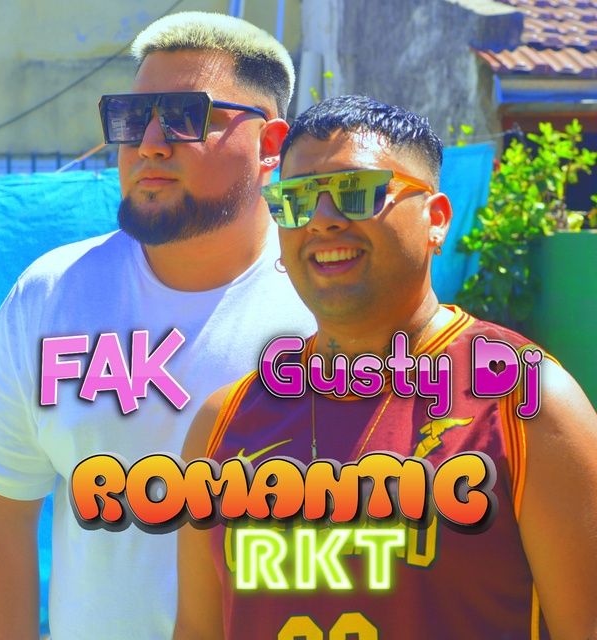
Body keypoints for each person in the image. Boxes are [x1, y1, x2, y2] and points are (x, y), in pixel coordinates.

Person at [176, 96, 597, 639]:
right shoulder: (223, 424)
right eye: (297, 201)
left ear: (435, 220)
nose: (322, 221)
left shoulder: (526, 403)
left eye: (356, 193)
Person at [0, 12, 315, 640]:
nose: (149, 143)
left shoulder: (326, 306)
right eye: (130, 117)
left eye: (182, 116)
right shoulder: (53, 295)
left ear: (270, 146)